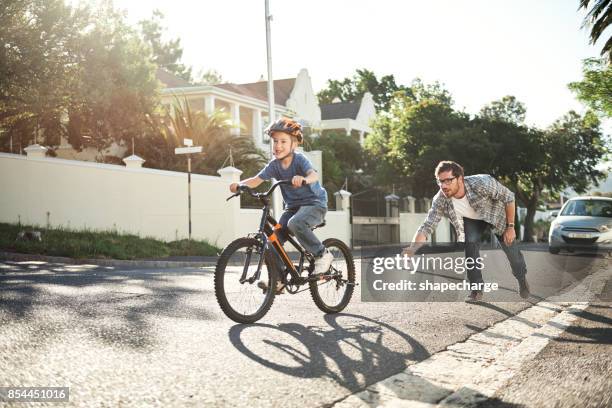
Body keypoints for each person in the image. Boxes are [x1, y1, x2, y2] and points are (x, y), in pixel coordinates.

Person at [229, 118, 333, 293]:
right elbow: (256, 180)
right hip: (292, 208)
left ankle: (322, 254)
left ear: (293, 144)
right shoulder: (274, 165)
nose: (278, 145)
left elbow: (313, 175)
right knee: (272, 241)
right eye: (275, 141)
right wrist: (240, 185)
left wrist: (304, 179)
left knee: (295, 223)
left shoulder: (300, 160)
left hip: (315, 204)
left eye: (283, 141)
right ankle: (279, 280)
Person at [402, 161, 530, 302]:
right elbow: (427, 226)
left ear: (460, 178)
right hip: (472, 219)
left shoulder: (482, 183)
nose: (443, 186)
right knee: (470, 243)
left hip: (496, 216)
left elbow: (509, 197)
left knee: (512, 253)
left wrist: (510, 226)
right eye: (440, 181)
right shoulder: (440, 199)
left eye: (448, 180)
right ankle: (476, 289)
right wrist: (412, 249)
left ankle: (521, 278)